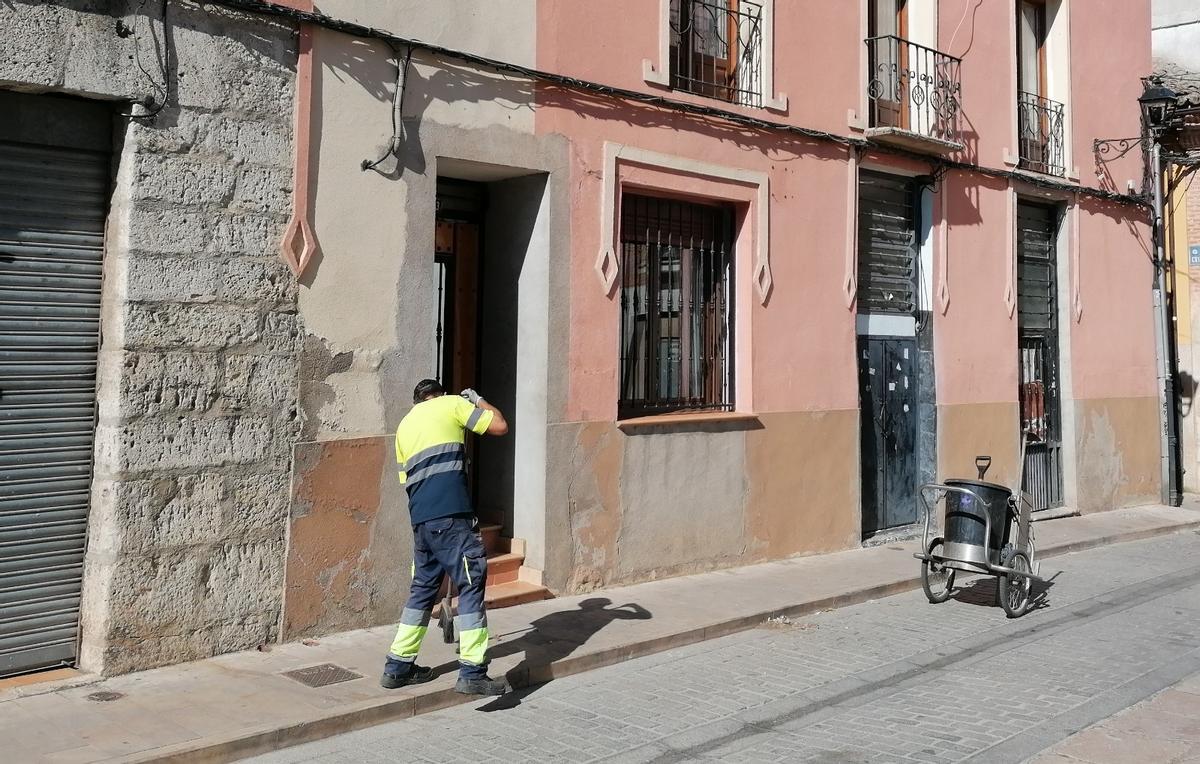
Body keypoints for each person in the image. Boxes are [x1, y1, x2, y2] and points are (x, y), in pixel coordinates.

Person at [382, 378, 510, 696]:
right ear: (437, 395)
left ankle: (397, 667)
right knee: (471, 584)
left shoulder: (404, 426)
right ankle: (472, 671)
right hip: (451, 516)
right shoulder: (451, 403)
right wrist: (477, 400)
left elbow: (407, 480)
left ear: (417, 400)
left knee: (422, 591)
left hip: (422, 521)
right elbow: (498, 425)